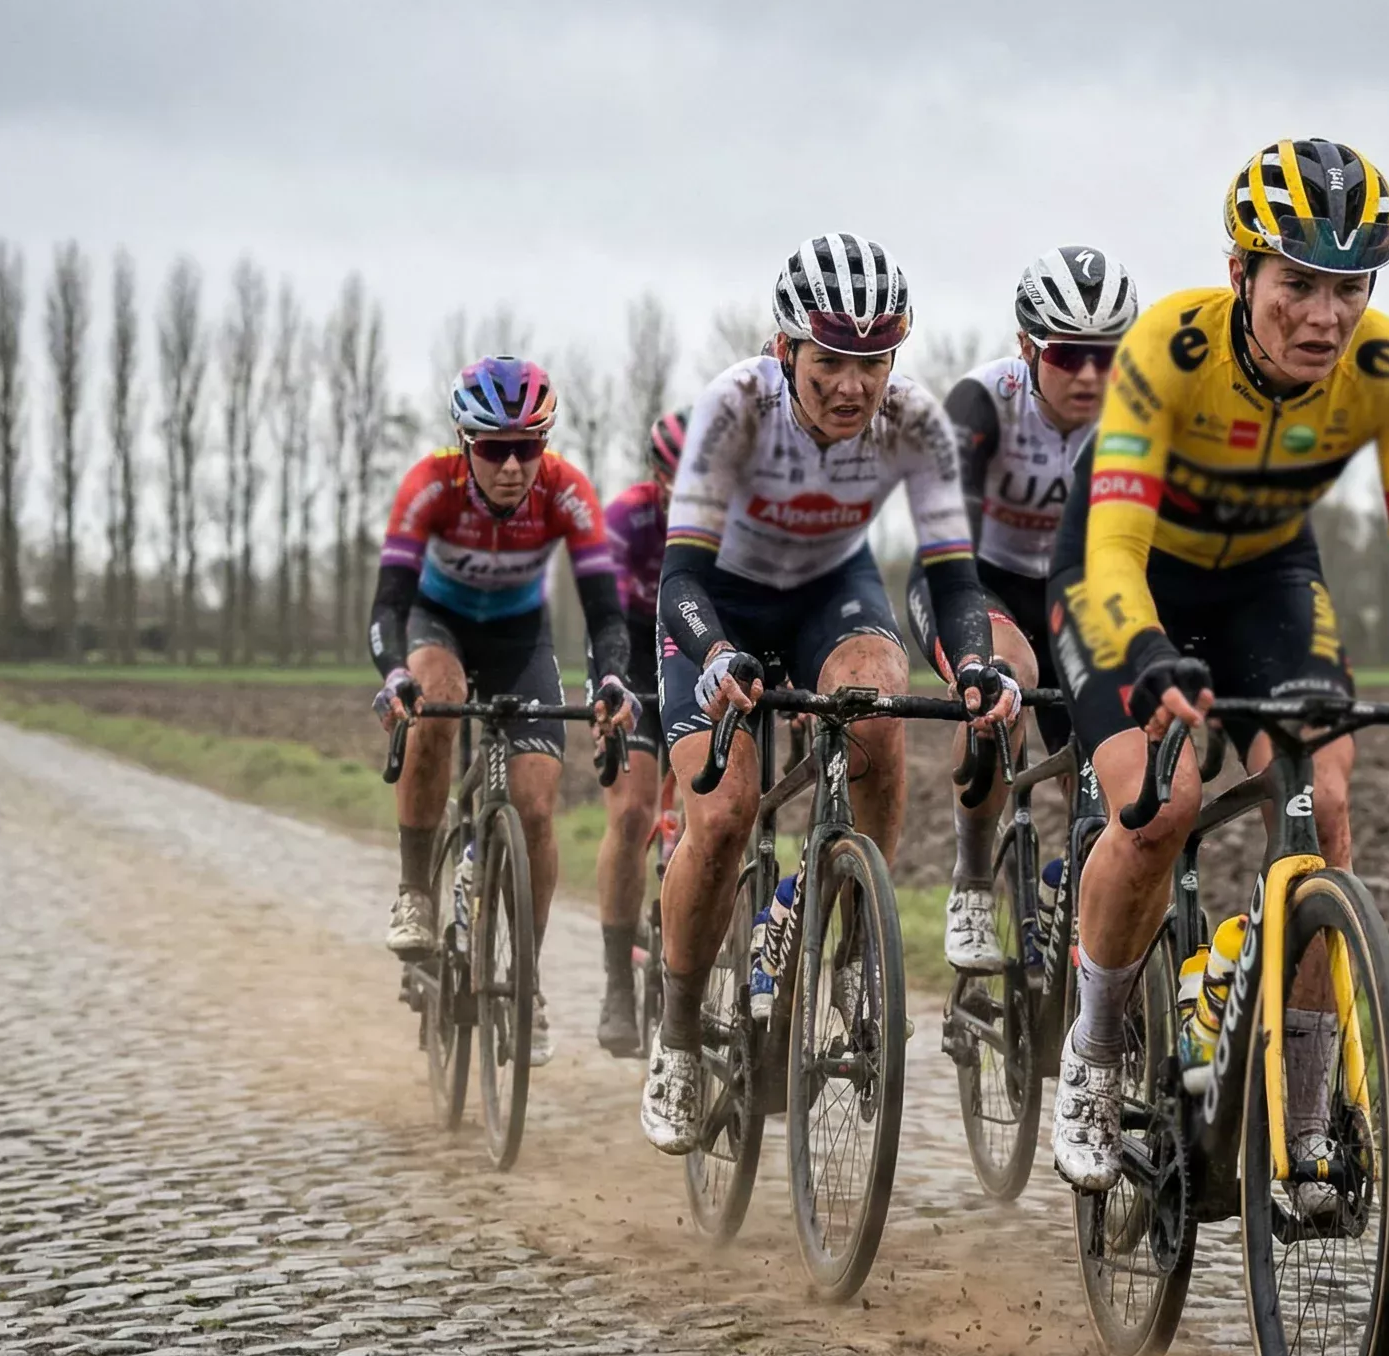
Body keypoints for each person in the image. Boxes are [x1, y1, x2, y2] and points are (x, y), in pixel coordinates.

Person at [1043, 139, 1389, 1198]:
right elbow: (1114, 545)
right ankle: (1094, 1046)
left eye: (1350, 287)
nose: (1325, 316)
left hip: (1265, 572)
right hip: (1123, 570)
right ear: (1240, 274)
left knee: (1327, 801)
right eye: (1298, 285)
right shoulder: (1168, 349)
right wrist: (1146, 653)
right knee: (1161, 806)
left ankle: (1304, 1115)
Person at [638, 232, 1017, 1152]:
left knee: (877, 712)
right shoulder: (733, 410)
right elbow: (679, 578)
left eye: (873, 364)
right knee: (723, 816)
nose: (853, 387)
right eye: (830, 365)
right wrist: (716, 654)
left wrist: (973, 664)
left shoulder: (914, 422)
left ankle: (845, 946)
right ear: (785, 350)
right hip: (717, 602)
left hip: (828, 591)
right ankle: (679, 1036)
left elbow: (954, 578)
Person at [372, 356, 635, 1068]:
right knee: (438, 697)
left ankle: (526, 979)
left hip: (521, 639)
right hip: (439, 626)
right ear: (465, 442)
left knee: (536, 806)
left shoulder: (566, 490)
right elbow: (389, 604)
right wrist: (395, 674)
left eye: (529, 446)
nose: (513, 466)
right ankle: (415, 888)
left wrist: (612, 679)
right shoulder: (429, 485)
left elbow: (605, 610)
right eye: (494, 449)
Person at [902, 246, 1138, 972]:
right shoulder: (983, 402)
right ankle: (973, 880)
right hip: (976, 580)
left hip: (1074, 593)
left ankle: (1084, 897)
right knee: (1008, 674)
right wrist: (978, 654)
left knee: (1109, 754)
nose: (1090, 376)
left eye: (1107, 355)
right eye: (1067, 355)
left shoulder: (1135, 414)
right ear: (1027, 347)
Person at [592, 408, 688, 1057]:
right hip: (630, 656)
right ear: (658, 475)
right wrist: (612, 687)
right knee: (631, 814)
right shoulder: (628, 517)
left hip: (695, 652)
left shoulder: (729, 513)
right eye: (677, 478)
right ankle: (618, 985)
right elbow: (606, 613)